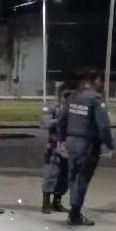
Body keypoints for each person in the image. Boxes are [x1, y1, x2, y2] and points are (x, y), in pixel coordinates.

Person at [56, 72, 115, 226]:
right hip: (87, 145)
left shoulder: (72, 98)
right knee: (82, 179)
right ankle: (75, 214)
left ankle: (74, 211)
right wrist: (109, 146)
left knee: (73, 177)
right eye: (100, 81)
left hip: (71, 142)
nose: (101, 85)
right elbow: (103, 126)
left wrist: (62, 140)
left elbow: (61, 120)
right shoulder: (95, 100)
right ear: (95, 80)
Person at [39, 84, 73, 214]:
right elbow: (44, 123)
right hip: (54, 145)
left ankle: (57, 201)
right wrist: (59, 120)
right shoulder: (52, 107)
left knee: (65, 176)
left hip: (68, 145)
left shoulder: (73, 109)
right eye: (66, 95)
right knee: (51, 174)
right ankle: (46, 203)